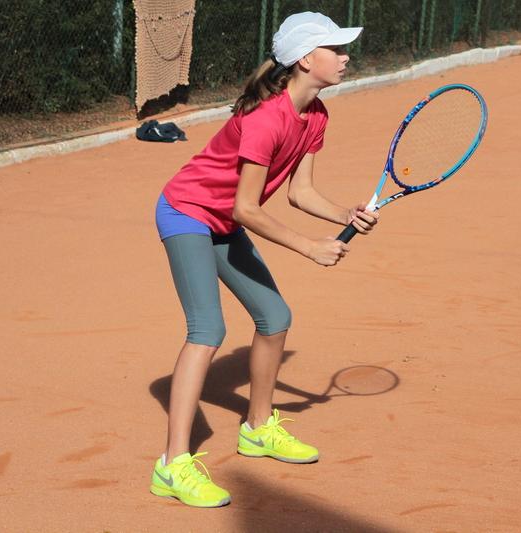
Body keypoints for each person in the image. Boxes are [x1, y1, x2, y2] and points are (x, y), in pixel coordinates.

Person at [150, 11, 378, 508]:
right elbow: (246, 208)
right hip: (187, 212)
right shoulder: (265, 119)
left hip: (223, 221)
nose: (345, 57)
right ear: (305, 60)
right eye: (335, 49)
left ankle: (256, 429)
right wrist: (310, 247)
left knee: (274, 317)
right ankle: (172, 465)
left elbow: (300, 191)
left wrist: (345, 213)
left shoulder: (316, 115)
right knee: (207, 330)